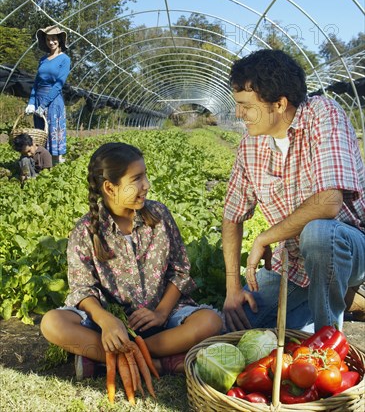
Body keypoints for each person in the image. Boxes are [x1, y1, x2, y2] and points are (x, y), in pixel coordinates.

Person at [40, 142, 222, 379]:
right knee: (52, 323)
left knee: (211, 322)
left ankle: (110, 360)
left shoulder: (159, 216)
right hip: (110, 327)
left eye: (145, 176)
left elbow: (180, 271)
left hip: (161, 321)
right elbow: (82, 288)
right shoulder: (86, 230)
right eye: (136, 179)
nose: (146, 185)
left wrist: (161, 313)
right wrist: (106, 321)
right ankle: (160, 363)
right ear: (110, 187)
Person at [222, 49, 365, 334]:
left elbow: (329, 202)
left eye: (246, 106)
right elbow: (232, 216)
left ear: (279, 104)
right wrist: (232, 288)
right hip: (295, 265)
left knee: (320, 233)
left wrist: (265, 237)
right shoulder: (250, 146)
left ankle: (327, 344)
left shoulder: (323, 114)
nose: (239, 114)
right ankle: (346, 303)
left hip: (350, 245)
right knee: (231, 328)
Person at [25, 25, 71, 165]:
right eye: (48, 39)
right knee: (41, 134)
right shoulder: (43, 60)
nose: (51, 42)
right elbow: (36, 83)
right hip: (39, 99)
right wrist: (32, 102)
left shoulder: (64, 59)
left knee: (53, 133)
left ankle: (57, 164)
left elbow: (58, 85)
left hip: (53, 101)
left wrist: (44, 104)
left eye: (54, 39)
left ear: (59, 40)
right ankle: (42, 164)